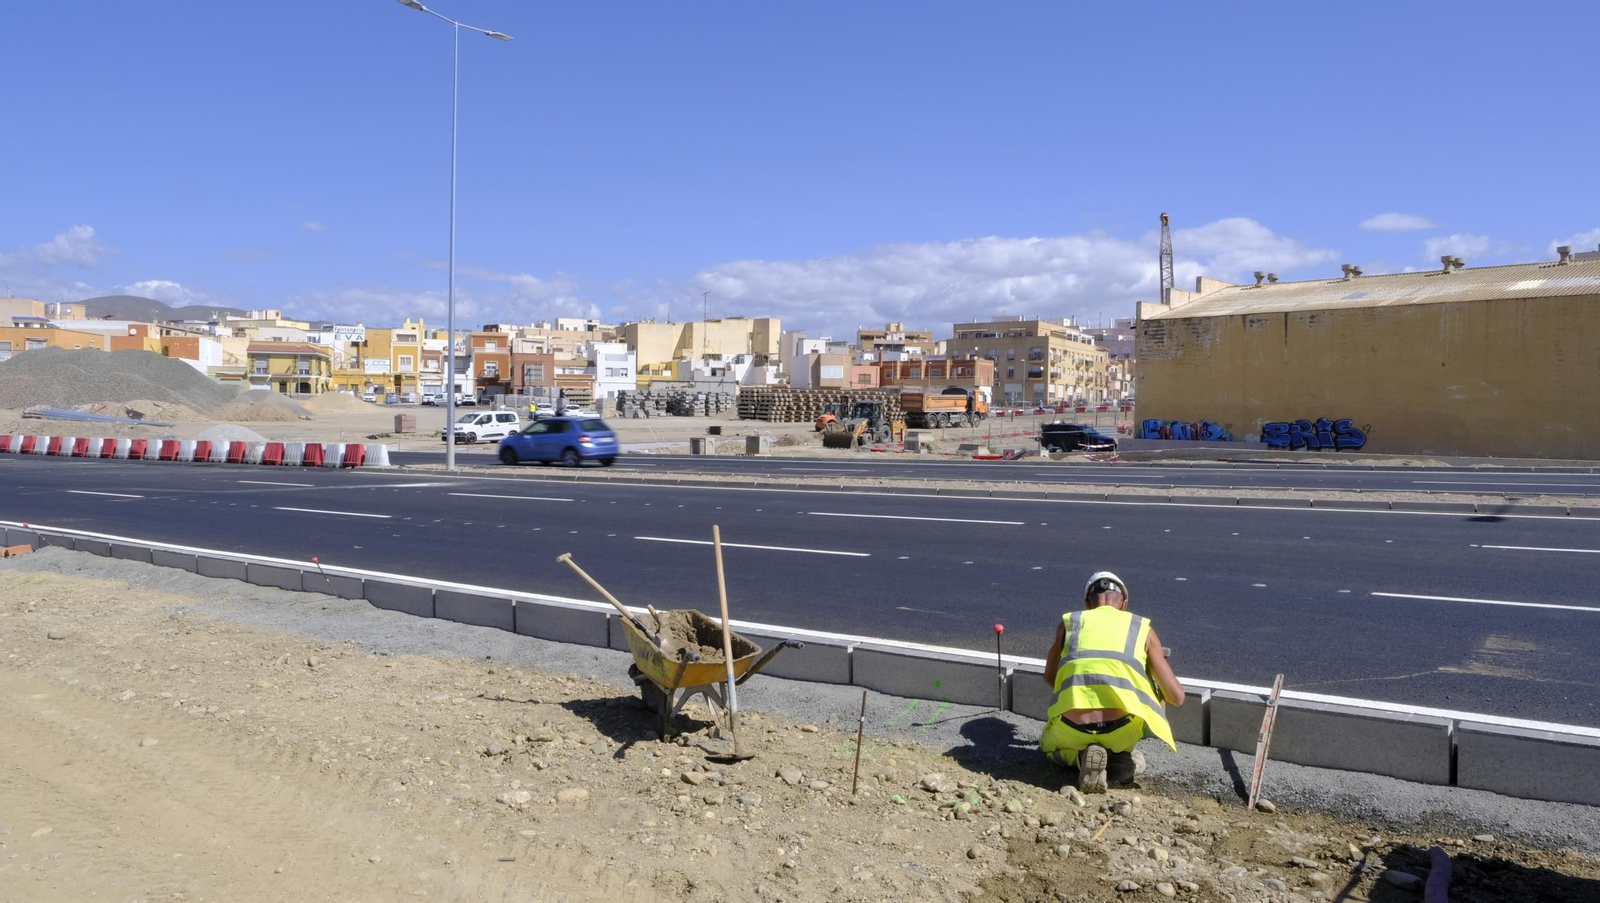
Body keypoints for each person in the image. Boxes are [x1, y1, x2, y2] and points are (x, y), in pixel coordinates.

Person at [1041, 571, 1185, 792]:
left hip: (1071, 728)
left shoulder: (1070, 623)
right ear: (1123, 603)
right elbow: (1176, 697)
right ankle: (1120, 759)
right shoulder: (1141, 628)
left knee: (1048, 748)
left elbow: (1050, 677)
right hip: (1122, 730)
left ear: (1088, 604)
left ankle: (1080, 759)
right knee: (1150, 692)